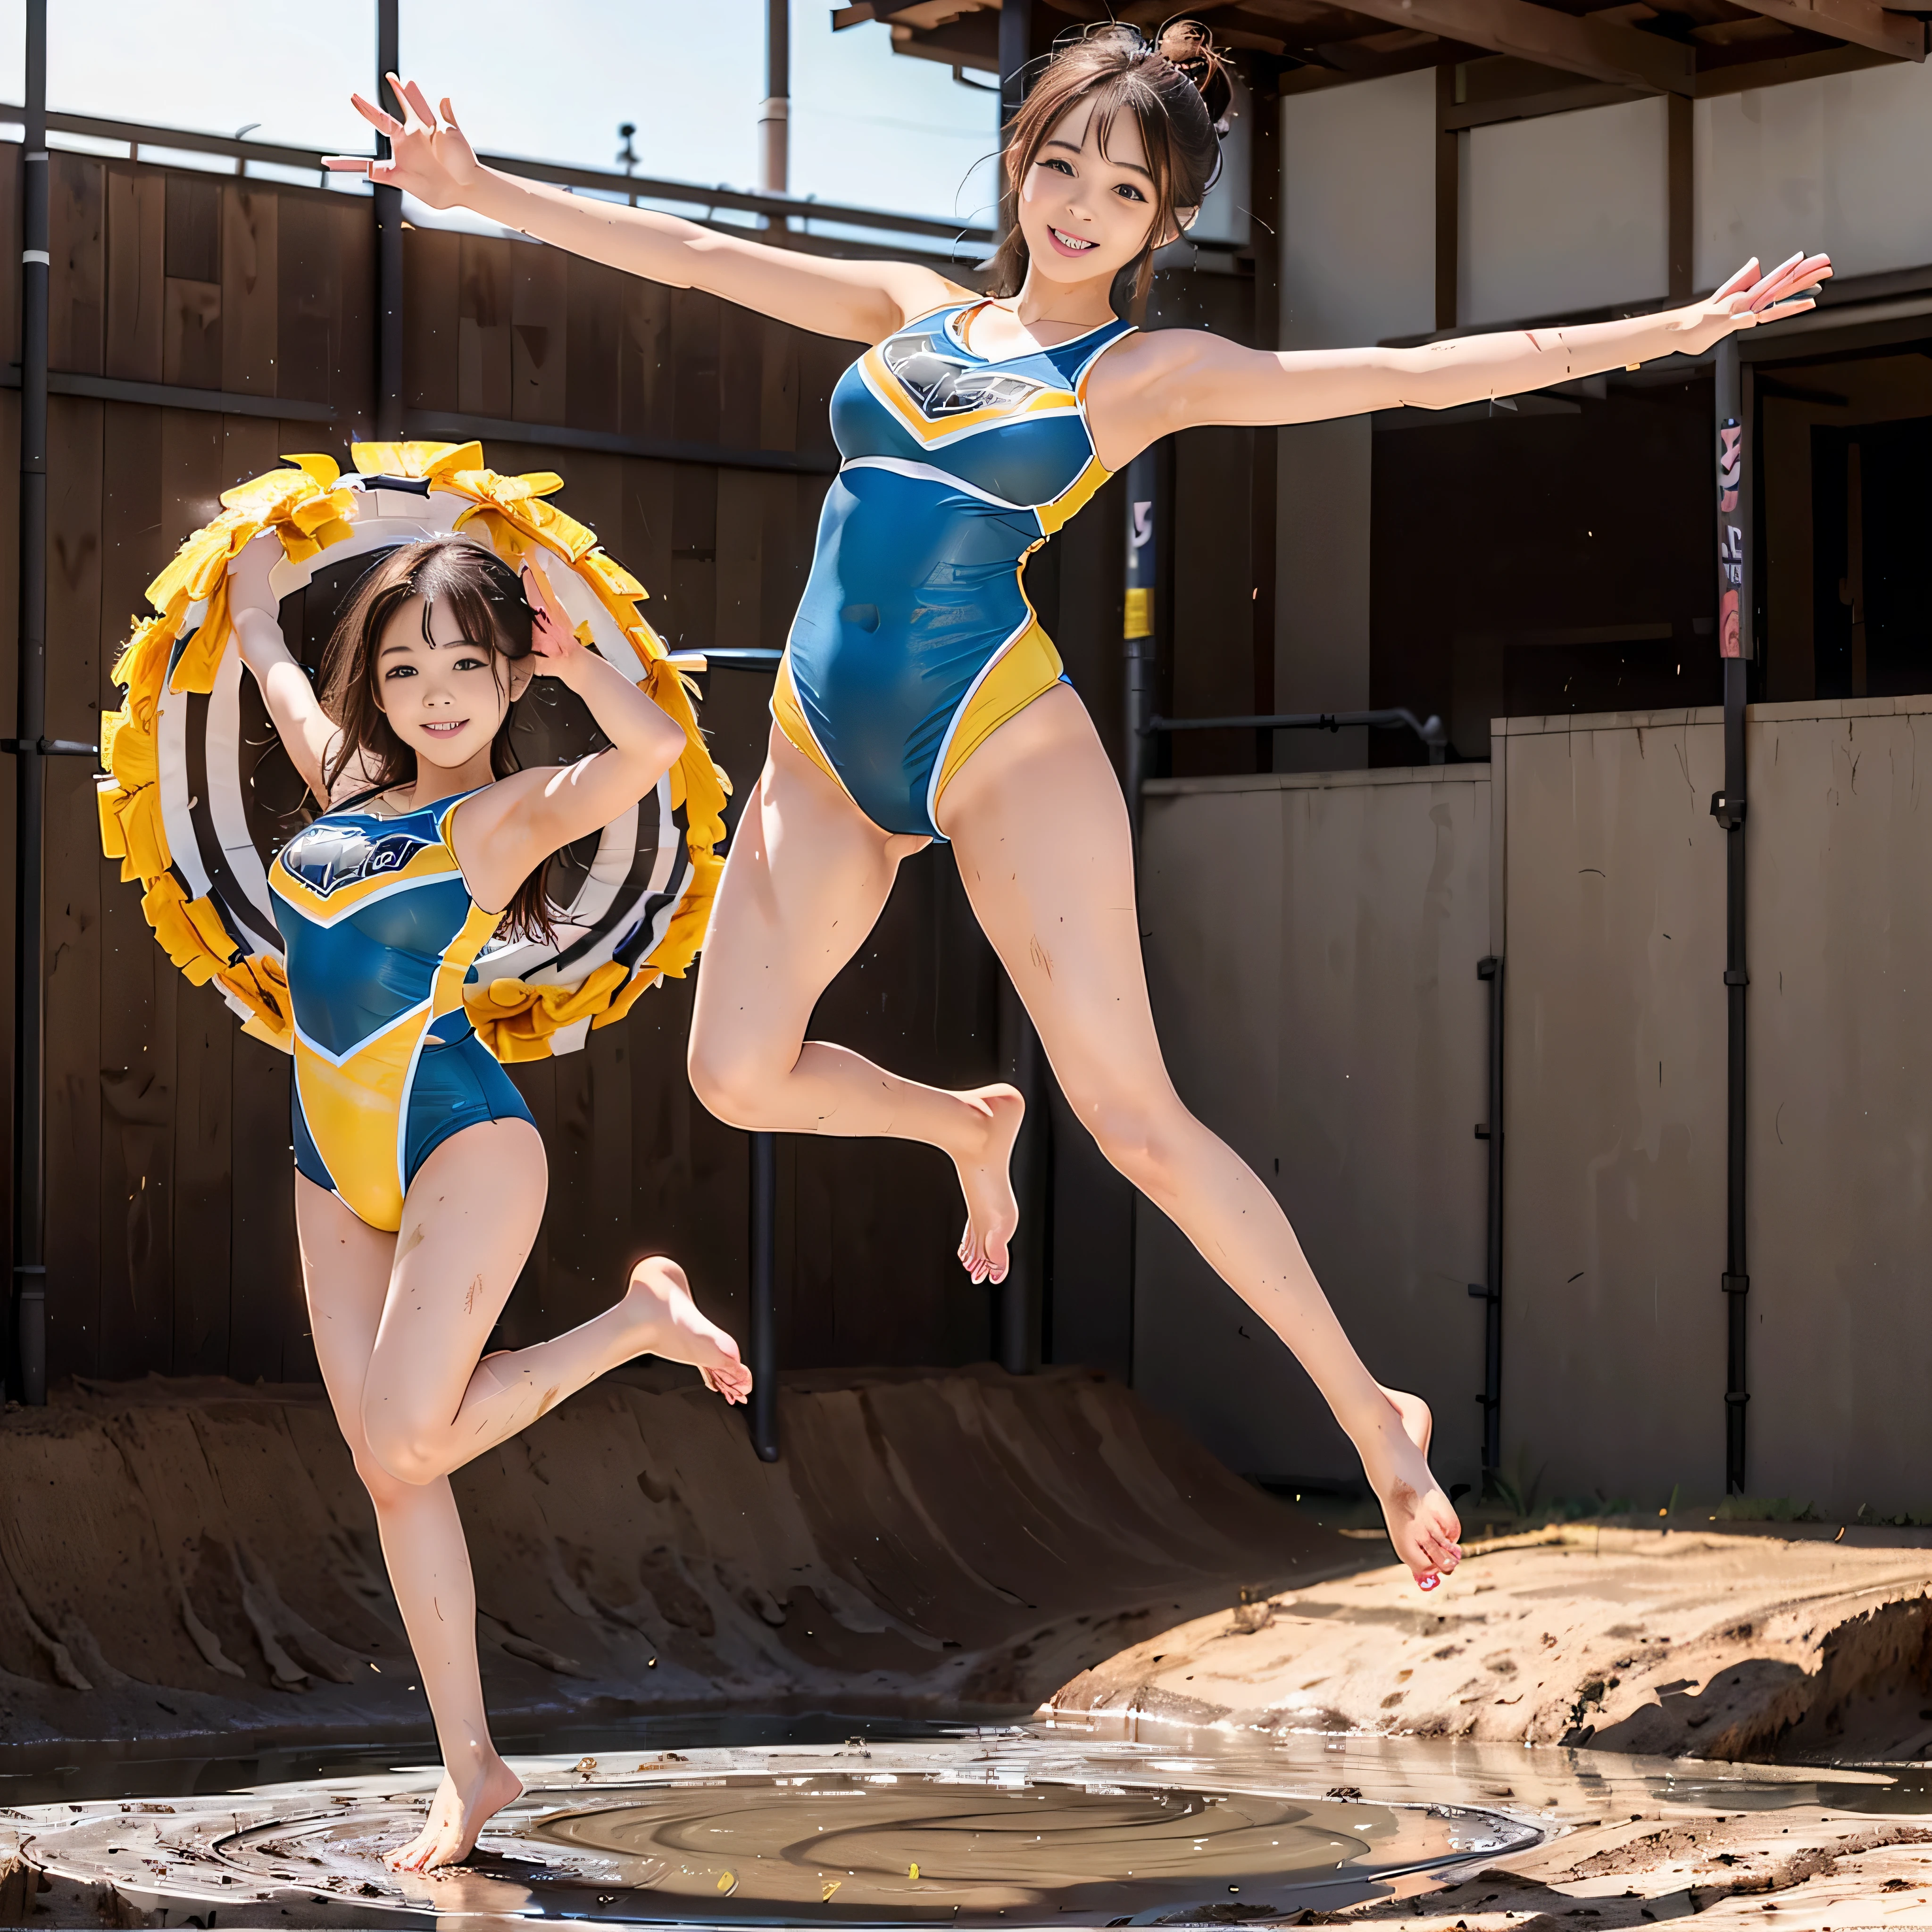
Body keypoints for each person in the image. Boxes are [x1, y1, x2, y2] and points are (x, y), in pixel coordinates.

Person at [331, 23, 1826, 1608]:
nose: (1079, 206)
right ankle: (965, 1124)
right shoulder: (912, 313)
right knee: (734, 1076)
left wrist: (1668, 330)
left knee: (1132, 1118)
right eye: (1059, 165)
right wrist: (479, 185)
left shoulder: (1139, 373)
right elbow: (698, 254)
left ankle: (1370, 1413)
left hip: (999, 741)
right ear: (1020, 163)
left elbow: (1401, 376)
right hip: (823, 748)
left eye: (1123, 189)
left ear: (1162, 223)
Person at [234, 538, 751, 1871]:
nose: (438, 692)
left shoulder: (503, 815)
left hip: (462, 1139)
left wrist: (581, 662)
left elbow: (647, 765)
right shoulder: (346, 788)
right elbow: (281, 678)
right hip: (327, 1156)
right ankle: (470, 1769)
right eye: (407, 668)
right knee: (391, 1473)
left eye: (469, 663)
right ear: (381, 690)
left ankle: (635, 1323)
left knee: (407, 1442)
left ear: (509, 674)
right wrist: (249, 598)